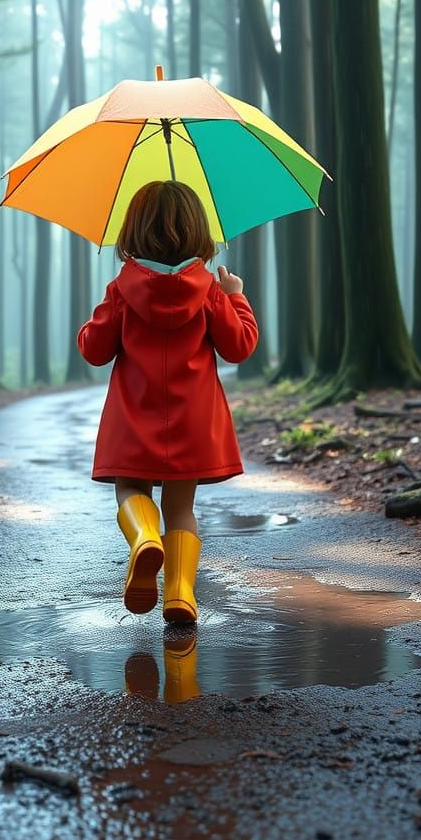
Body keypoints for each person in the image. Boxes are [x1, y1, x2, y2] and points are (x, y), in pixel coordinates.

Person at [76, 180, 259, 625]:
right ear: (196, 230)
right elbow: (239, 347)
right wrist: (235, 295)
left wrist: (102, 311)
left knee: (130, 489)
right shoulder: (211, 291)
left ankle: (143, 540)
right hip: (194, 419)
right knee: (181, 508)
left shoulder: (121, 290)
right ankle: (180, 595)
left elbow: (93, 350)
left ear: (133, 232)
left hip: (133, 415)